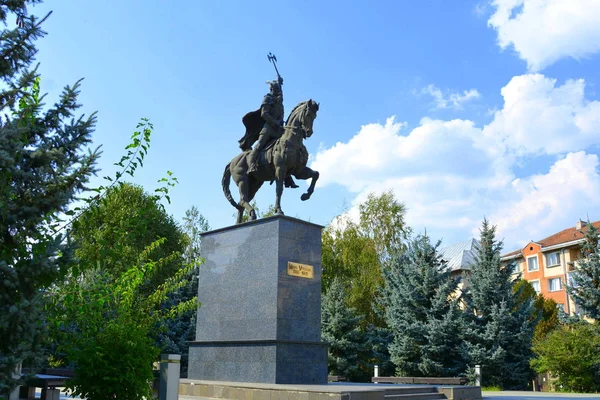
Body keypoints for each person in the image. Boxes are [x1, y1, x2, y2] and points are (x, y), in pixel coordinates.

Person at [238, 77, 298, 188]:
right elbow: (264, 114)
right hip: (269, 128)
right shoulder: (267, 98)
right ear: (272, 89)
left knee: (284, 150)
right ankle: (251, 166)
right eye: (276, 89)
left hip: (279, 129)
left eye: (279, 89)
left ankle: (288, 178)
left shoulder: (279, 99)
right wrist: (275, 122)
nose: (278, 91)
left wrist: (280, 82)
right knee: (259, 146)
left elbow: (281, 96)